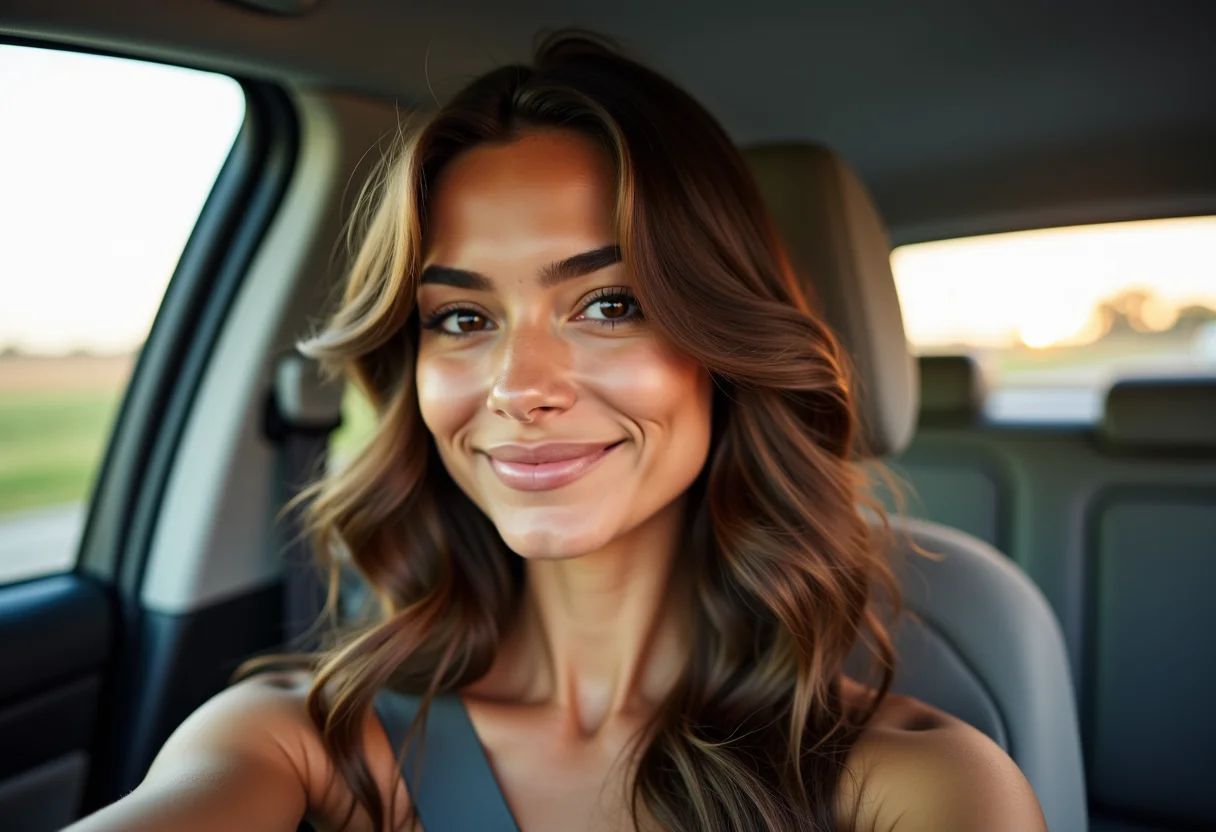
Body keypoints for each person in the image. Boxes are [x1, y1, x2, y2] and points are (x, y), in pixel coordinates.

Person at [68, 31, 1046, 832]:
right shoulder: (301, 738)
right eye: (461, 318)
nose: (518, 386)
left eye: (610, 304)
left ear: (723, 342)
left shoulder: (917, 788)